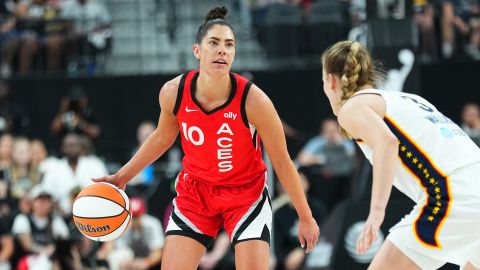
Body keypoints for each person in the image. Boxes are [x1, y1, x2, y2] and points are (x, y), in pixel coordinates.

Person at [94, 6, 319, 270]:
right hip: (196, 193)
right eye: (214, 43)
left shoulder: (254, 100)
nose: (222, 50)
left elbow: (282, 161)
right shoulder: (173, 92)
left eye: (229, 44)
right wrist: (121, 177)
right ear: (197, 51)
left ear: (234, 53)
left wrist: (305, 215)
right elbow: (162, 138)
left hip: (246, 194)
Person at [321, 40, 480, 269]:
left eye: (323, 81)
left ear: (332, 80)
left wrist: (376, 212)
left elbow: (387, 142)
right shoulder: (409, 99)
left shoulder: (351, 108)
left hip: (454, 194)